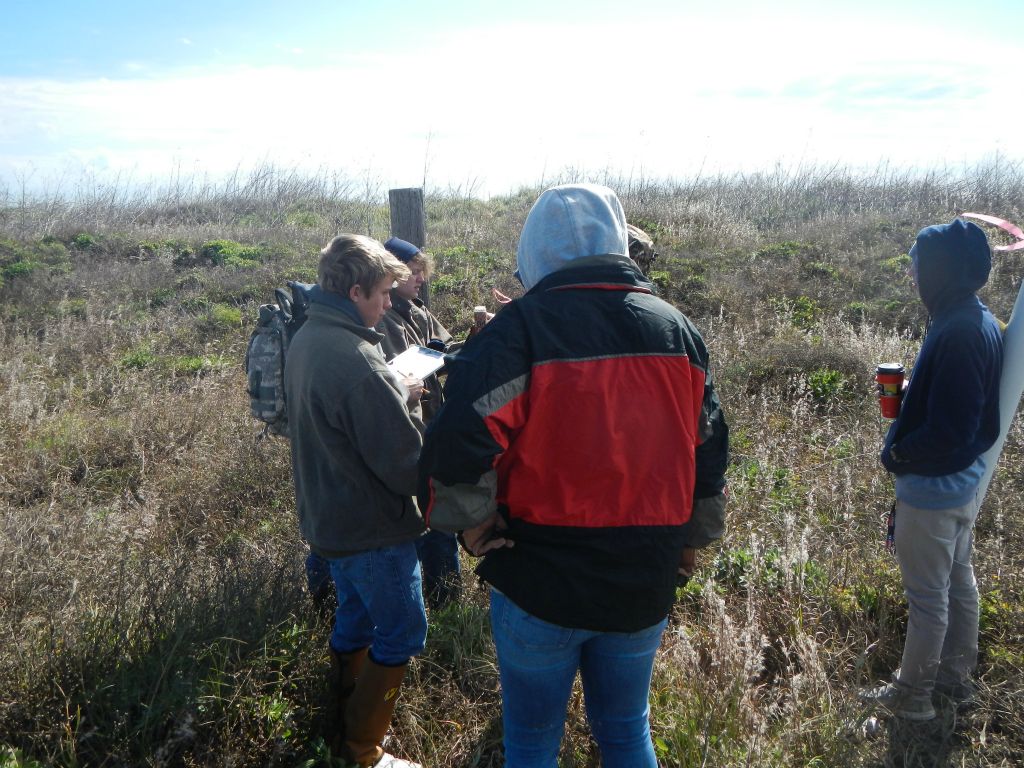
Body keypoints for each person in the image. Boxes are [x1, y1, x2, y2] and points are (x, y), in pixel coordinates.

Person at [418, 183, 729, 767]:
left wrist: (470, 523)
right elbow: (707, 449)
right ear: (617, 239)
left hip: (539, 576)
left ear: (533, 250)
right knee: (626, 731)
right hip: (643, 575)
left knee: (532, 743)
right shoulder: (676, 329)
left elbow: (460, 438)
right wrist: (691, 538)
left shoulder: (517, 331)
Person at [285, 233, 426, 768]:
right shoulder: (359, 361)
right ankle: (363, 749)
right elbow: (405, 464)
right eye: (383, 293)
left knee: (356, 620)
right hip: (373, 527)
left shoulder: (309, 336)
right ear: (355, 291)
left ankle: (341, 721)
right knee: (403, 631)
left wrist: (389, 391)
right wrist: (406, 401)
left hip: (331, 520)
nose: (388, 304)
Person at [860, 219, 1003, 722]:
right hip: (961, 484)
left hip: (935, 490)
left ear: (941, 269)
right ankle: (955, 682)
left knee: (928, 600)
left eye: (917, 264)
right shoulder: (971, 317)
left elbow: (951, 430)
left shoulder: (960, 331)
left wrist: (897, 455)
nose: (912, 274)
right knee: (958, 583)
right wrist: (911, 398)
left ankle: (913, 701)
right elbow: (959, 411)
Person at [378, 236, 462, 608]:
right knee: (427, 514)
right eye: (412, 272)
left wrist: (475, 343)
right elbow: (402, 374)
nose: (419, 279)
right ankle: (439, 598)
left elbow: (441, 351)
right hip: (409, 432)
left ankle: (444, 597)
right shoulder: (383, 318)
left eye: (421, 272)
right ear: (391, 273)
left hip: (430, 428)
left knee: (436, 511)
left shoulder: (417, 310)